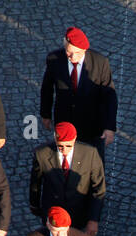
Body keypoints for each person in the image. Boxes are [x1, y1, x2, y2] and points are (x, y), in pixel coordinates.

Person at [39, 27, 117, 159]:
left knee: (93, 163)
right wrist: (45, 114)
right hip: (65, 123)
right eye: (69, 53)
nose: (73, 57)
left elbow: (109, 96)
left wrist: (109, 127)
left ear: (85, 50)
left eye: (77, 53)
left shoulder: (100, 62)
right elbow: (47, 88)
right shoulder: (54, 59)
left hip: (92, 126)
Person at [29, 121, 106, 233]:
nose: (64, 150)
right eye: (60, 146)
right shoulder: (42, 154)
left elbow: (99, 189)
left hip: (79, 216)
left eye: (68, 146)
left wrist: (93, 219)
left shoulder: (90, 154)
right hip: (53, 217)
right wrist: (35, 205)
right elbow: (35, 183)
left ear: (75, 138)